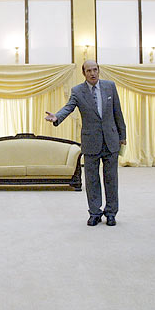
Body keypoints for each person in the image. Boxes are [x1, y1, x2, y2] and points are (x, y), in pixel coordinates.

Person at [45, 60, 127, 227]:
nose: (92, 73)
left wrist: (122, 135)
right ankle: (95, 213)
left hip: (110, 140)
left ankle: (111, 213)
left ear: (99, 70)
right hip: (91, 142)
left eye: (95, 69)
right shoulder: (77, 91)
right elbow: (68, 108)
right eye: (89, 70)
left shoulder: (110, 86)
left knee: (111, 179)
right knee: (91, 179)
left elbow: (117, 112)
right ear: (84, 73)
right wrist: (57, 117)